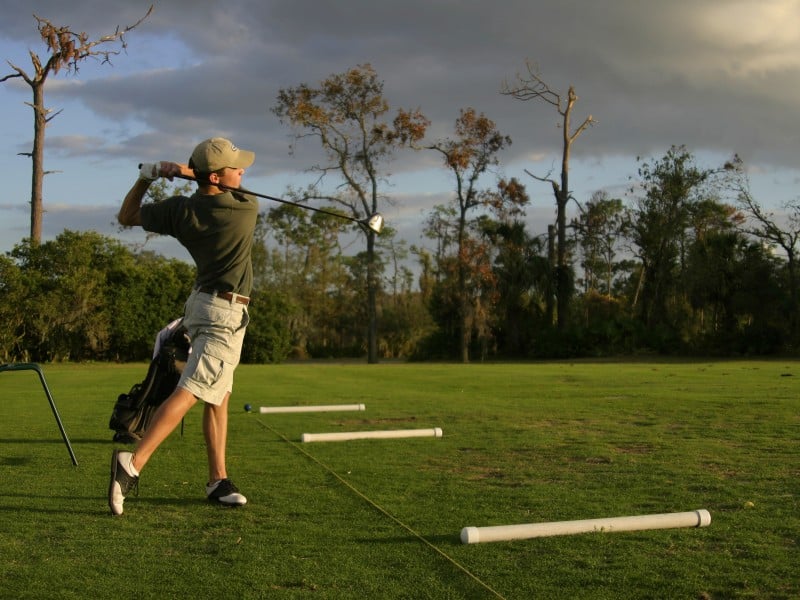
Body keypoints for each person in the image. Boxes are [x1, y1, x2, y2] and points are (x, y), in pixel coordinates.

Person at [109, 137, 258, 515]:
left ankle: (217, 479)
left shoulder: (180, 210)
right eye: (235, 167)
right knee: (193, 389)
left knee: (218, 393)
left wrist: (151, 175)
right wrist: (186, 171)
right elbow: (211, 182)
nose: (242, 170)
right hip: (224, 314)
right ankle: (133, 463)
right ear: (218, 176)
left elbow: (127, 216)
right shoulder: (244, 209)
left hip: (202, 304)